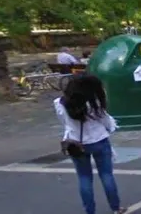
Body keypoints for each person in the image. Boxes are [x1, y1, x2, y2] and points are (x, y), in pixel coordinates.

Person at [54, 75, 127, 214]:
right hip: (99, 140)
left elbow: (64, 122)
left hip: (76, 143)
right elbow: (105, 120)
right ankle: (116, 207)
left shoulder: (59, 102)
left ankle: (90, 211)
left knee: (84, 178)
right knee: (106, 175)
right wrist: (111, 128)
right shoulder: (93, 102)